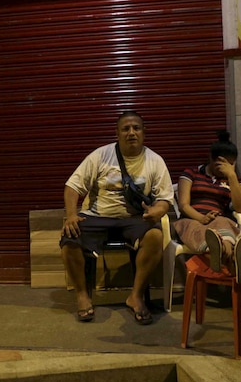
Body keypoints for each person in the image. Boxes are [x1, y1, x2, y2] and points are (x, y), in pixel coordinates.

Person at [60, 111, 174, 325]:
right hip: (97, 216)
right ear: (117, 133)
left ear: (144, 133)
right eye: (126, 129)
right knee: (70, 238)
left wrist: (158, 210)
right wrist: (71, 215)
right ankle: (83, 296)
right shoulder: (100, 155)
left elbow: (165, 198)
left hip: (134, 218)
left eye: (136, 128)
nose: (131, 133)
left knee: (155, 237)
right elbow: (72, 186)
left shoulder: (155, 160)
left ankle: (136, 296)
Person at [175, 131, 241, 283]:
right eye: (222, 164)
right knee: (202, 230)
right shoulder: (192, 173)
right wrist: (201, 218)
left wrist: (232, 177)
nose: (225, 168)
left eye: (231, 164)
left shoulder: (233, 178)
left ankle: (221, 250)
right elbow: (183, 205)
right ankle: (233, 261)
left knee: (222, 223)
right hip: (191, 219)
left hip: (218, 219)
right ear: (211, 158)